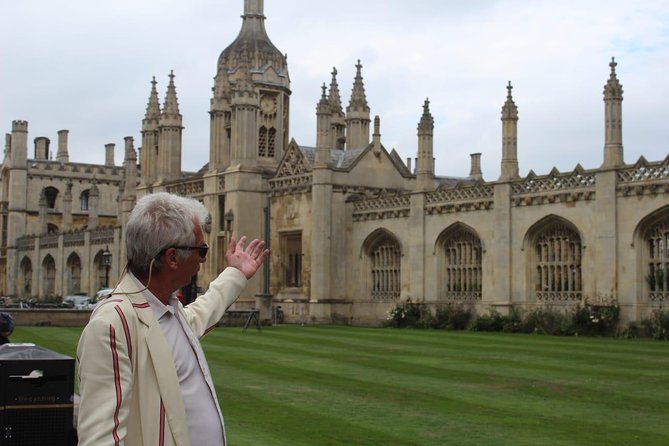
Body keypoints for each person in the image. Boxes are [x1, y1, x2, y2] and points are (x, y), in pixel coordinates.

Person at [76, 192, 269, 446]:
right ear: (172, 258)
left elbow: (201, 314)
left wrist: (236, 274)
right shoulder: (112, 325)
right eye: (201, 250)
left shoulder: (166, 309)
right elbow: (100, 439)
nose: (204, 260)